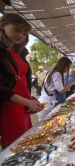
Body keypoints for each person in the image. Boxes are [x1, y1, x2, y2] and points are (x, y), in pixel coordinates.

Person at [0, 13, 44, 148]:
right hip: (8, 108)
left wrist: (30, 100)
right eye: (16, 30)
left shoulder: (16, 51)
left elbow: (21, 82)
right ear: (3, 25)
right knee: (14, 147)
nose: (20, 35)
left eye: (24, 33)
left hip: (22, 108)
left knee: (26, 142)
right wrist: (26, 101)